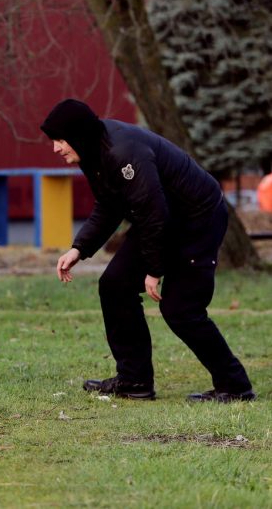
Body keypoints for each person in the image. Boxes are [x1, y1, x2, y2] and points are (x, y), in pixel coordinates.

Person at [41, 99, 254, 403]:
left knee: (181, 308)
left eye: (60, 140)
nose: (56, 148)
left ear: (78, 135)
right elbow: (111, 205)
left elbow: (155, 215)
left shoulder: (124, 152)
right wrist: (79, 248)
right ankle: (134, 381)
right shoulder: (92, 152)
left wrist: (154, 270)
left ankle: (236, 387)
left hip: (198, 218)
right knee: (114, 286)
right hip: (161, 217)